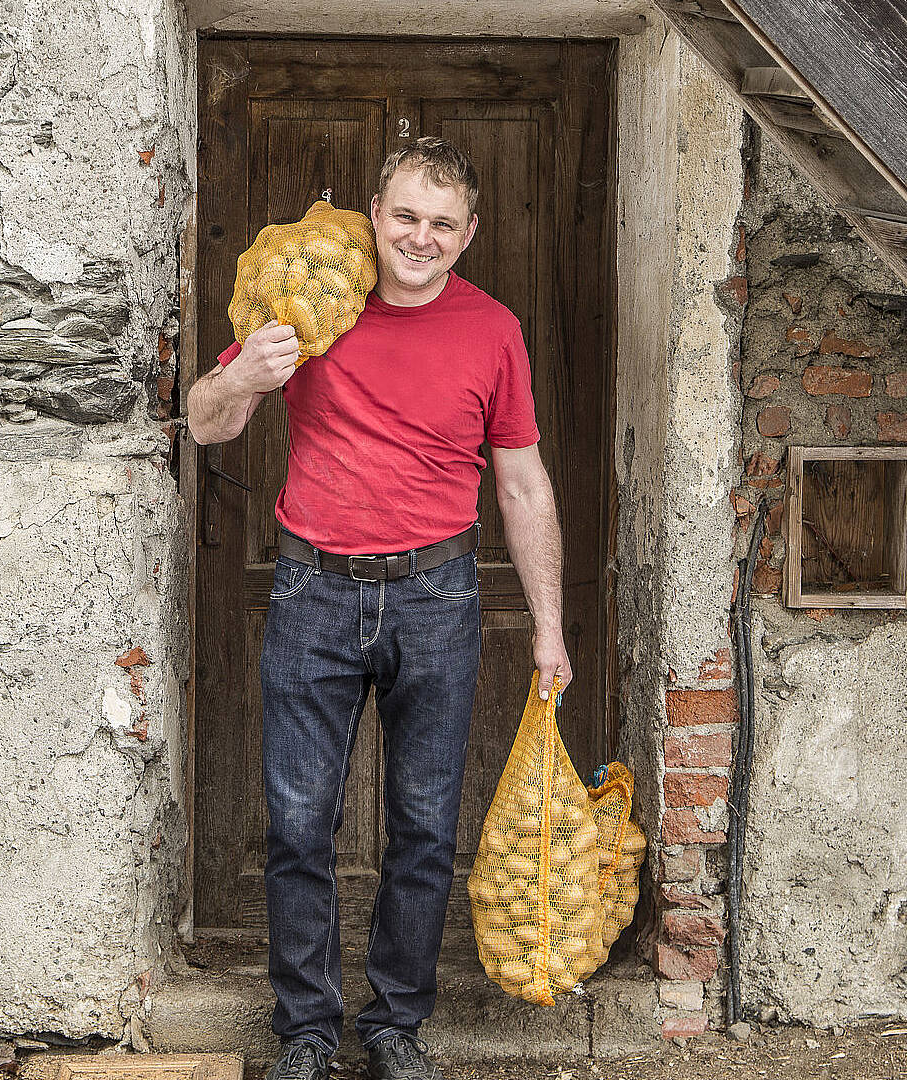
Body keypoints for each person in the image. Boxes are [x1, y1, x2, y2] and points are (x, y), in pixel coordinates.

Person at [186, 137, 569, 1080]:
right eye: (406, 216)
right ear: (374, 212)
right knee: (296, 822)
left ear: (469, 233)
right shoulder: (312, 300)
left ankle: (396, 1024)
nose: (421, 239)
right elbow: (203, 421)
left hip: (437, 592)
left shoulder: (494, 330)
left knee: (426, 824)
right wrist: (243, 376)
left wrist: (550, 626)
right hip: (313, 586)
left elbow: (521, 483)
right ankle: (308, 1036)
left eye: (443, 224)